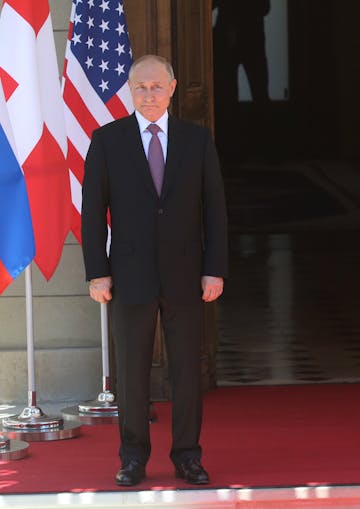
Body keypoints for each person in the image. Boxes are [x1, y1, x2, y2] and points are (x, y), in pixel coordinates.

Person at [82, 55, 228, 486]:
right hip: (128, 275)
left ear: (173, 88)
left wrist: (214, 268)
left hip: (187, 274)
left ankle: (187, 455)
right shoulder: (107, 140)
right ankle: (132, 457)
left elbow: (215, 210)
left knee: (186, 371)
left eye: (157, 86)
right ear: (130, 89)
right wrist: (97, 272)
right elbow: (93, 213)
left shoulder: (197, 140)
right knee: (131, 372)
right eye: (141, 87)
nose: (149, 94)